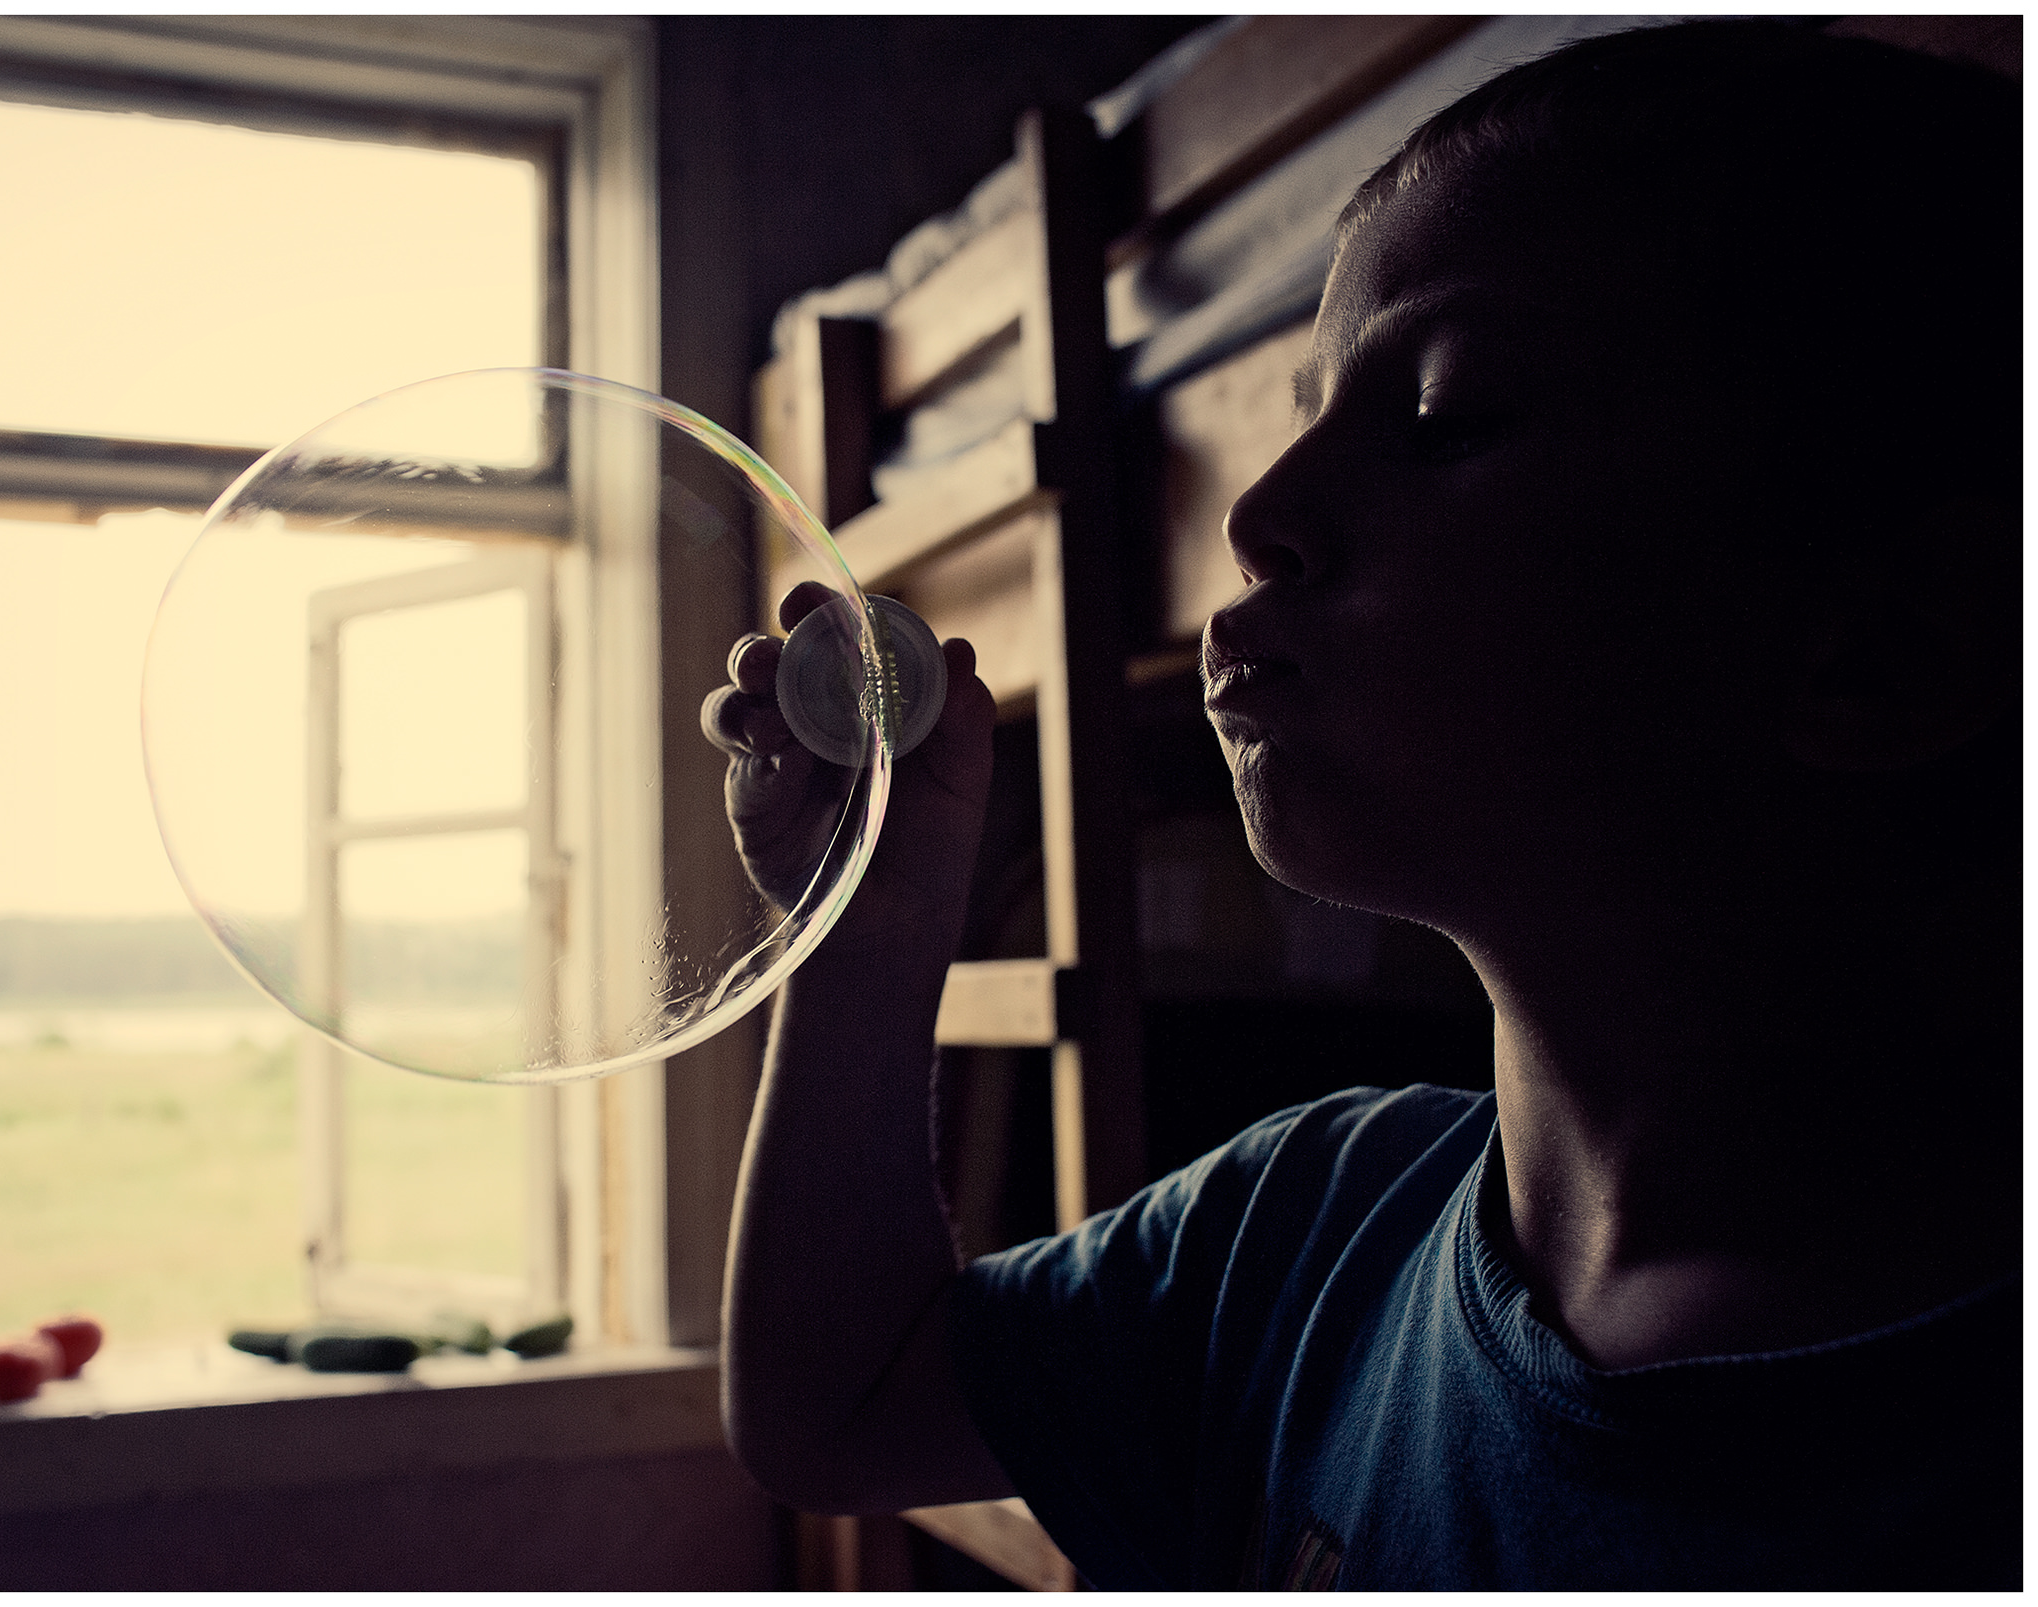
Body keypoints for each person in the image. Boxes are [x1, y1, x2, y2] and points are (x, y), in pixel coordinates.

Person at [704, 20, 2020, 1590]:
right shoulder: (1313, 1226)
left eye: (1450, 413)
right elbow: (834, 1405)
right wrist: (867, 913)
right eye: (1305, 411)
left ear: (1876, 653)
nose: (1259, 513)